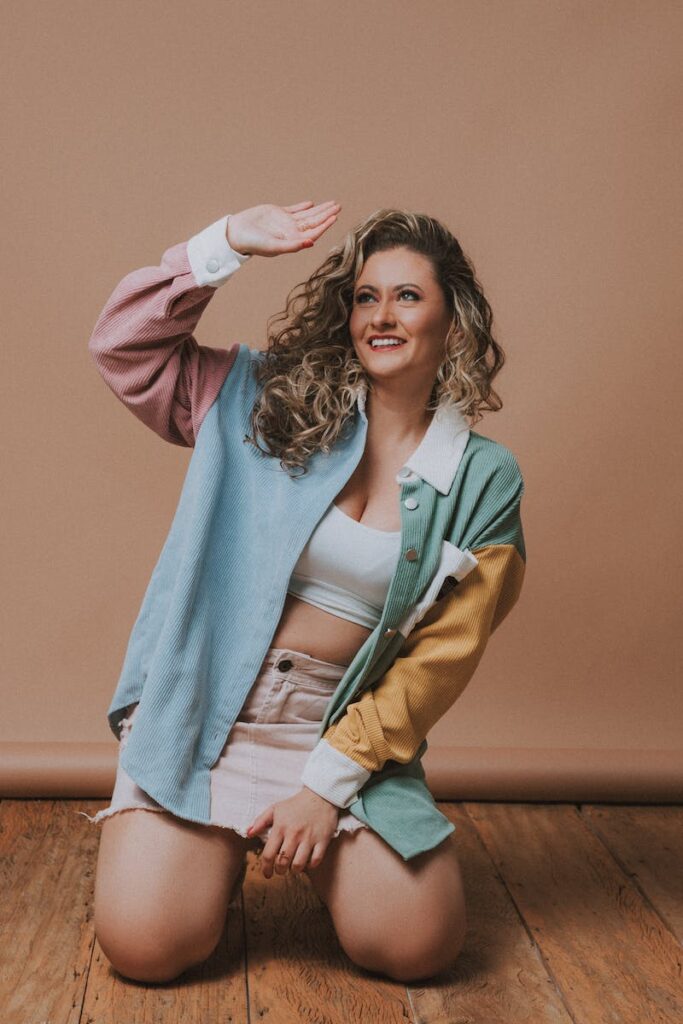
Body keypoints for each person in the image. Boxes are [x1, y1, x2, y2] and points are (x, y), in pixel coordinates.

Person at [85, 199, 526, 985]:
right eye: (365, 296)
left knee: (419, 946)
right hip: (205, 709)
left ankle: (298, 846)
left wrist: (325, 786)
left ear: (453, 324)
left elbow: (441, 659)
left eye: (407, 296)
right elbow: (123, 349)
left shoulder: (482, 478)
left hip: (341, 731)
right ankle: (202, 856)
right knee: (145, 948)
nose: (381, 315)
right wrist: (223, 245)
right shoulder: (264, 399)